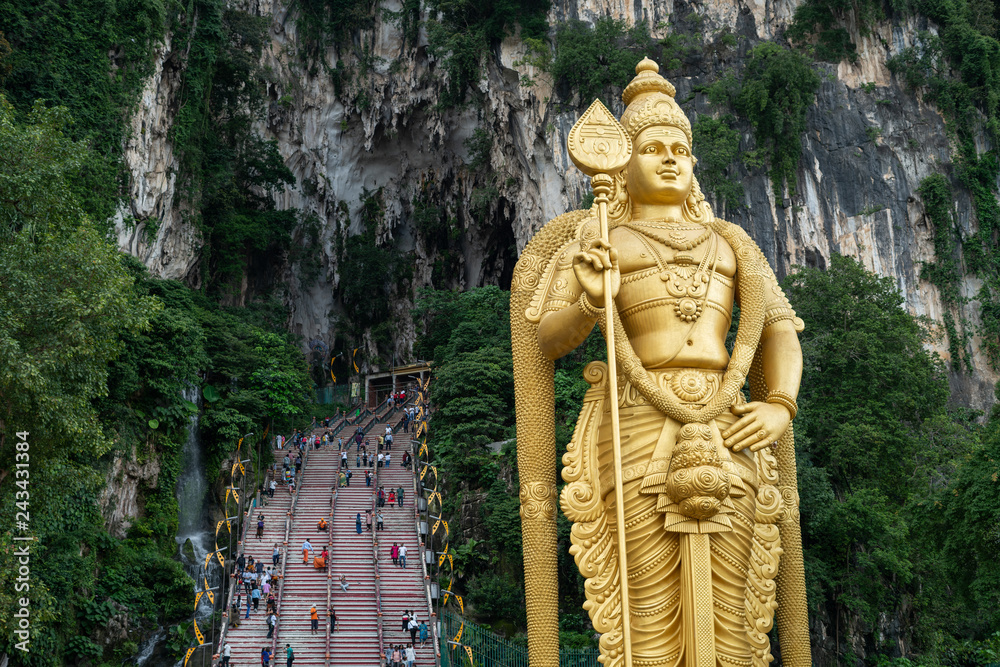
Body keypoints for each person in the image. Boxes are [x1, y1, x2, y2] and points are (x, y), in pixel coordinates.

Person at [515, 58, 809, 667]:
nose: (671, 157)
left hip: (730, 425)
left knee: (735, 609)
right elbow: (544, 338)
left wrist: (779, 404)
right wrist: (591, 302)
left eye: (681, 147)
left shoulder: (732, 243)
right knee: (643, 604)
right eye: (653, 148)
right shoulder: (598, 239)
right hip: (634, 420)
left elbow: (779, 327)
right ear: (623, 164)